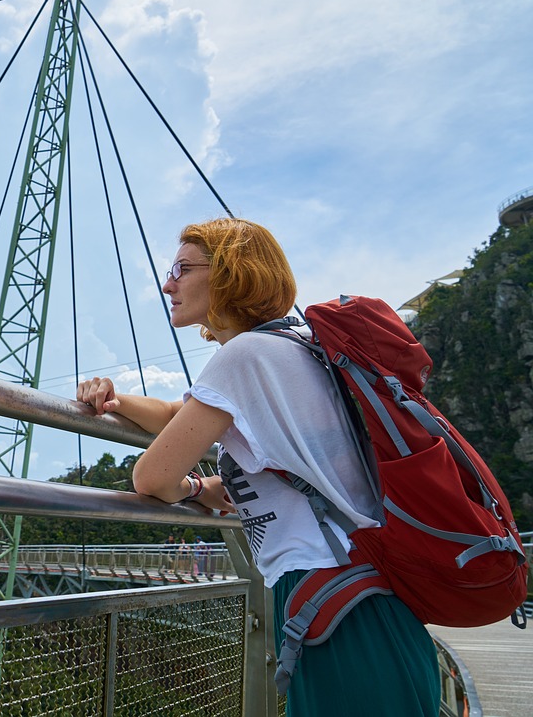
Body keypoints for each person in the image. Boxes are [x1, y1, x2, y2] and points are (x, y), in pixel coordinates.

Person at [76, 218, 438, 716]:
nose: (168, 284)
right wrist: (117, 401)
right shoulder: (291, 348)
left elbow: (151, 478)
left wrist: (185, 487)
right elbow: (185, 417)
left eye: (182, 268)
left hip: (335, 604)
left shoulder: (244, 357)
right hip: (363, 597)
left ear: (228, 272)